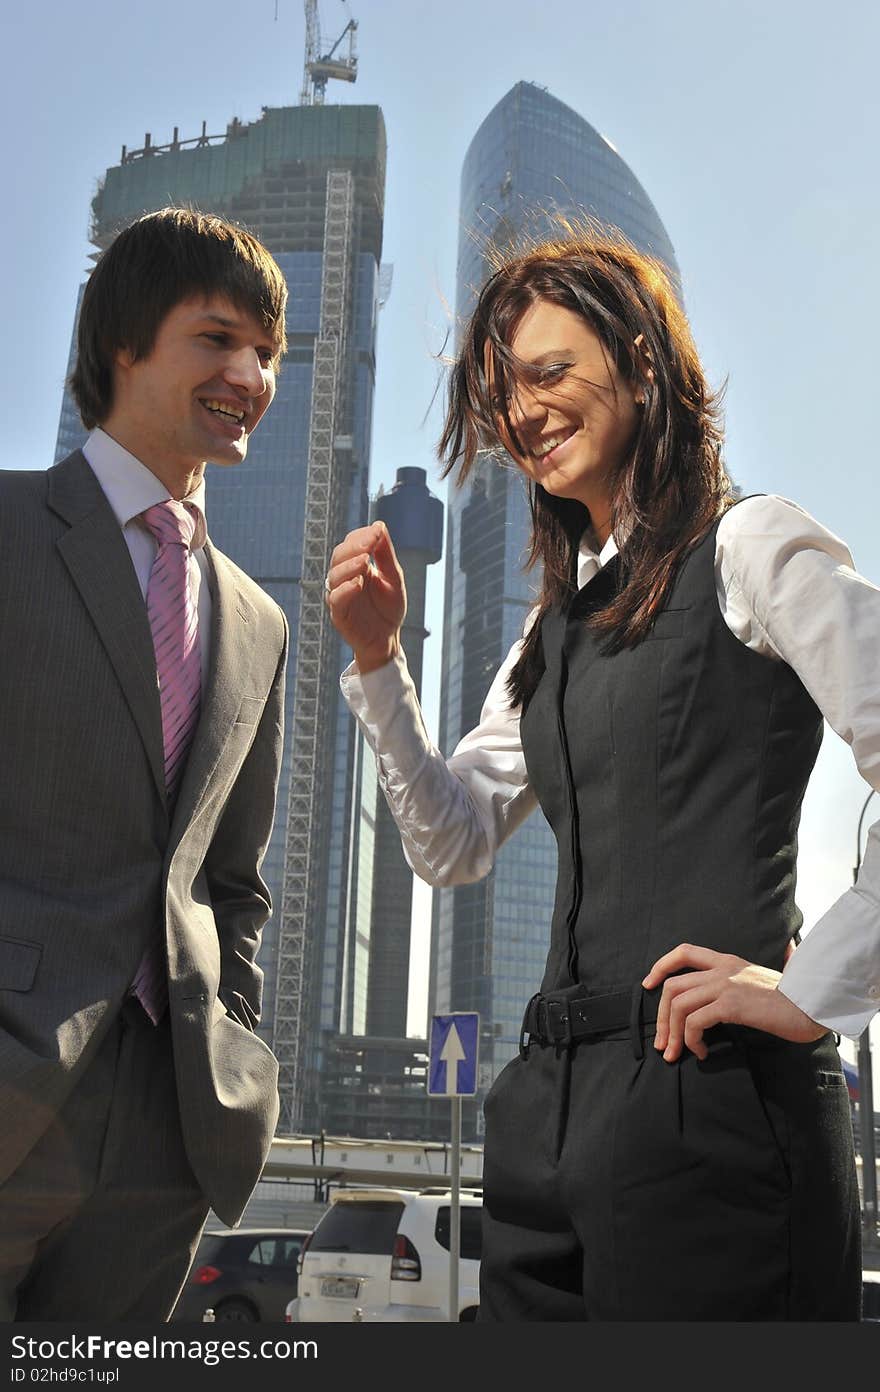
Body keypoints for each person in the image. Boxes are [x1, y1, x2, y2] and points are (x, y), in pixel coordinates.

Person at [326, 231, 879, 1321]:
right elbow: (451, 841)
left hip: (713, 1103)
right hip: (544, 1123)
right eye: (501, 394)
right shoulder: (549, 631)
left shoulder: (750, 546)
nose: (522, 411)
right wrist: (379, 665)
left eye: (548, 372)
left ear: (636, 360)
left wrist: (816, 989)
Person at [0, 208, 289, 1321]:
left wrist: (232, 1054)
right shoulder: (15, 530)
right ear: (124, 342)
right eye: (217, 339)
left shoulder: (259, 619)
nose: (250, 374)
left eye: (266, 351)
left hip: (170, 1127)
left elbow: (234, 881)